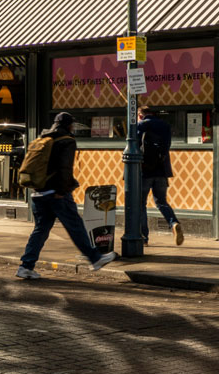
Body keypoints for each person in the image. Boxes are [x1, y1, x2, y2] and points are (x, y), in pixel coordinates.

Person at [17, 112, 115, 280]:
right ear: (69, 125)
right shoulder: (66, 141)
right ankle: (95, 258)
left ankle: (26, 266)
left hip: (38, 193)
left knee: (40, 230)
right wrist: (62, 191)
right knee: (75, 226)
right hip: (56, 194)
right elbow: (65, 168)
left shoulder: (43, 139)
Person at [136, 105, 183, 245]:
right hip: (161, 170)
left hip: (144, 171)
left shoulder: (142, 125)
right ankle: (173, 223)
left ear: (140, 115)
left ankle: (143, 237)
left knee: (140, 204)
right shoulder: (165, 125)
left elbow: (135, 144)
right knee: (161, 202)